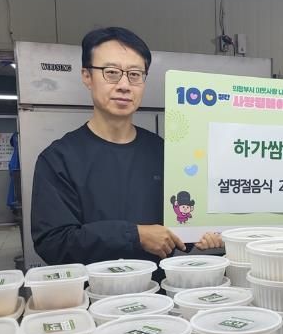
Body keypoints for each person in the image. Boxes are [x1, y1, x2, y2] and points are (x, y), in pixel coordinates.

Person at [31, 27, 222, 277]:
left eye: (134, 75)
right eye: (111, 73)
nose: (124, 85)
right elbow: (53, 242)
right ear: (87, 76)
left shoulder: (163, 153)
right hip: (92, 295)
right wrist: (134, 235)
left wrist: (200, 235)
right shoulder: (59, 159)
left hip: (156, 293)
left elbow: (177, 228)